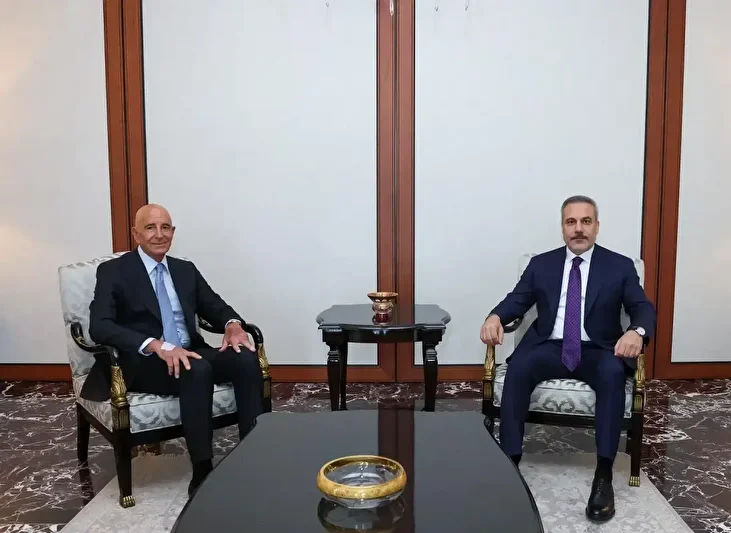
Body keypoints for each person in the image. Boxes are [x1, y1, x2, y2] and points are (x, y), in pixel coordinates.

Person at [480, 195, 656, 523]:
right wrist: (495, 316)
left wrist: (637, 331)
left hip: (598, 349)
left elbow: (642, 307)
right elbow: (516, 300)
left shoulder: (619, 266)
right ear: (562, 227)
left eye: (585, 221)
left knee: (612, 375)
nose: (578, 229)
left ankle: (603, 474)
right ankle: (510, 463)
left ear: (597, 226)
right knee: (518, 368)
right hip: (549, 345)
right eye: (571, 222)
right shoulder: (541, 264)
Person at [85, 203, 264, 497]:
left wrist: (232, 324)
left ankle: (253, 456)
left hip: (189, 351)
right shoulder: (114, 271)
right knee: (197, 368)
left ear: (173, 232)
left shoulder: (184, 270)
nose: (159, 234)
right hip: (144, 361)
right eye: (150, 228)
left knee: (245, 359)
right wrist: (155, 344)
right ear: (136, 234)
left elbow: (215, 305)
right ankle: (203, 470)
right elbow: (100, 326)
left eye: (165, 227)